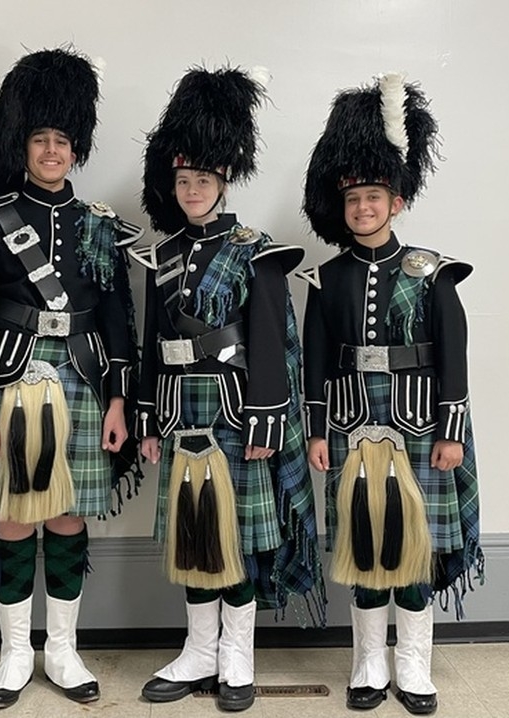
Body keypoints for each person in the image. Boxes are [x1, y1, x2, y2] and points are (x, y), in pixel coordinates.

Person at [0, 47, 142, 710]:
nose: (52, 151)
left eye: (62, 141)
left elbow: (118, 320)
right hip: (8, 379)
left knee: (63, 516)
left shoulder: (100, 227)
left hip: (83, 383)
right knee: (12, 515)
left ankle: (61, 650)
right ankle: (14, 655)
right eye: (41, 140)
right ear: (23, 146)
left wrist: (121, 400)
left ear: (76, 149)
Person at [131, 66, 326, 713]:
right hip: (181, 414)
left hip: (239, 418)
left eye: (203, 181)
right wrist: (151, 421)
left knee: (235, 540)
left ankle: (237, 652)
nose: (191, 191)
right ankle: (199, 650)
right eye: (183, 181)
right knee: (195, 538)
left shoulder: (256, 252)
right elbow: (154, 350)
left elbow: (272, 343)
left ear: (224, 180)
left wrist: (270, 422)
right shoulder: (160, 260)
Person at [299, 72, 484, 715]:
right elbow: (317, 360)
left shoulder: (432, 273)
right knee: (363, 548)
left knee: (411, 552)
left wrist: (452, 434)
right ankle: (368, 665)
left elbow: (453, 357)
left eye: (374, 197)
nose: (362, 210)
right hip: (351, 431)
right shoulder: (326, 278)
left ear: (397, 201)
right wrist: (317, 431)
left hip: (419, 432)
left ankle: (414, 665)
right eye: (353, 200)